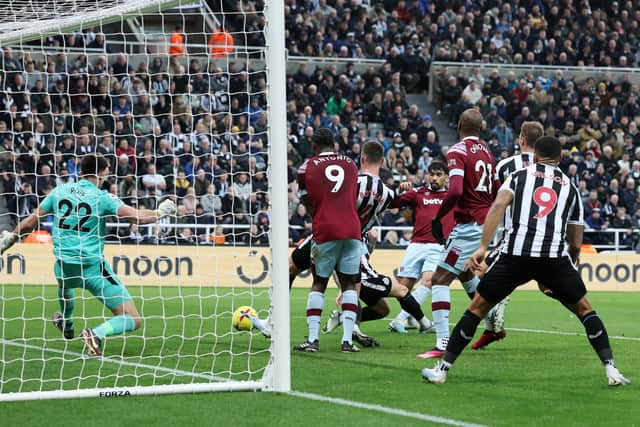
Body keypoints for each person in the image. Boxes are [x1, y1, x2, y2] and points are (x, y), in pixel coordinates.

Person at [422, 136, 630, 387]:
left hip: (515, 256)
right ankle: (611, 369)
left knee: (476, 309)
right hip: (552, 259)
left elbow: (498, 206)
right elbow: (575, 240)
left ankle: (442, 370)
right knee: (586, 310)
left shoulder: (519, 176)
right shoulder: (570, 187)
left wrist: (482, 247)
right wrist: (572, 262)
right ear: (561, 159)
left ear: (535, 157)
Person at [0, 154, 177, 356]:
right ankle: (96, 334)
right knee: (132, 319)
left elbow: (30, 223)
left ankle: (67, 324)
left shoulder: (59, 191)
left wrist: (8, 240)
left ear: (82, 172)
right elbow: (137, 217)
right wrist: (160, 212)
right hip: (93, 267)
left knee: (65, 286)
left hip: (64, 265)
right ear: (101, 173)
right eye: (107, 171)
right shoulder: (102, 197)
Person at [322, 141, 436, 346]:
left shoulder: (350, 184)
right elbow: (402, 202)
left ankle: (345, 320)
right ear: (383, 161)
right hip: (353, 256)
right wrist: (405, 189)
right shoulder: (384, 192)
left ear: (361, 159)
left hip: (339, 250)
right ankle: (425, 323)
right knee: (401, 290)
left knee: (382, 309)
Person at [422, 108, 501, 359]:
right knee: (466, 273)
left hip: (469, 224)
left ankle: (443, 341)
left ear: (459, 127)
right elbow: (497, 187)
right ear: (481, 128)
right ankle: (492, 320)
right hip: (486, 221)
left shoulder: (457, 151)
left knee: (440, 279)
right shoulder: (487, 152)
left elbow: (454, 190)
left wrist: (438, 217)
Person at [471, 120, 545, 350]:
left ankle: (493, 324)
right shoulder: (550, 169)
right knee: (559, 289)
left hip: (512, 234)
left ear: (521, 139)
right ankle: (493, 327)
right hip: (544, 235)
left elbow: (495, 202)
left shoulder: (504, 165)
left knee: (484, 273)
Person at [293, 128, 362, 353]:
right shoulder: (351, 163)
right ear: (333, 144)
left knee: (319, 283)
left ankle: (313, 340)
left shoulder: (306, 167)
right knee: (349, 283)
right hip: (353, 228)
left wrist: (321, 216)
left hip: (326, 228)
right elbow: (353, 195)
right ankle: (347, 342)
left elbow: (307, 201)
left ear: (314, 145)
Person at [386, 161, 454, 334]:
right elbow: (393, 204)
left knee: (429, 281)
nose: (434, 178)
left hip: (437, 246)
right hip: (416, 245)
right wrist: (399, 189)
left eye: (439, 174)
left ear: (446, 177)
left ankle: (399, 319)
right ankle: (411, 318)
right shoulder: (417, 193)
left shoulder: (453, 196)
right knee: (403, 287)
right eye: (432, 174)